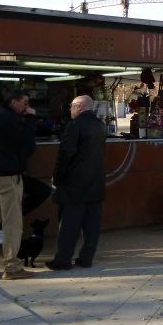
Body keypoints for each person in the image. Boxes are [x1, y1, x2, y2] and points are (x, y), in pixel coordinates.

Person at [0, 90, 37, 280]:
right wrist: (31, 120)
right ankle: (12, 267)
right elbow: (27, 144)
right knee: (12, 223)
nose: (27, 107)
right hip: (8, 175)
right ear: (13, 102)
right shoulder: (10, 119)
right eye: (25, 103)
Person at [46, 96, 106, 271]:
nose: (70, 109)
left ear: (79, 107)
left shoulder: (74, 125)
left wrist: (57, 176)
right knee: (92, 225)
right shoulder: (100, 125)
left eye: (72, 106)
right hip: (96, 181)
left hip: (74, 184)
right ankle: (86, 258)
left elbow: (65, 154)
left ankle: (63, 259)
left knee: (69, 224)